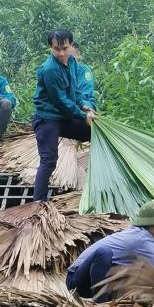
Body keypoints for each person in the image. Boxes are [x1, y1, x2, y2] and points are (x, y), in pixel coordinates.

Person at [67, 200, 154, 301]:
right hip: (77, 280)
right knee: (104, 253)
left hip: (99, 280)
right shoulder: (140, 239)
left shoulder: (147, 236)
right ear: (153, 224)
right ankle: (101, 304)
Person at [32, 29, 96, 201]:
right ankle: (38, 203)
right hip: (48, 117)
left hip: (65, 116)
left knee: (97, 134)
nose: (61, 53)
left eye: (64, 48)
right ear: (51, 48)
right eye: (56, 49)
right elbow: (61, 102)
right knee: (49, 160)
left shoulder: (72, 63)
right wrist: (82, 116)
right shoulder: (49, 69)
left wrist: (86, 107)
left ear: (71, 46)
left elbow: (76, 91)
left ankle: (97, 186)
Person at [71, 42, 96, 110]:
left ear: (78, 54)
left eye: (72, 58)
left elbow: (84, 95)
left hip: (85, 104)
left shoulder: (84, 71)